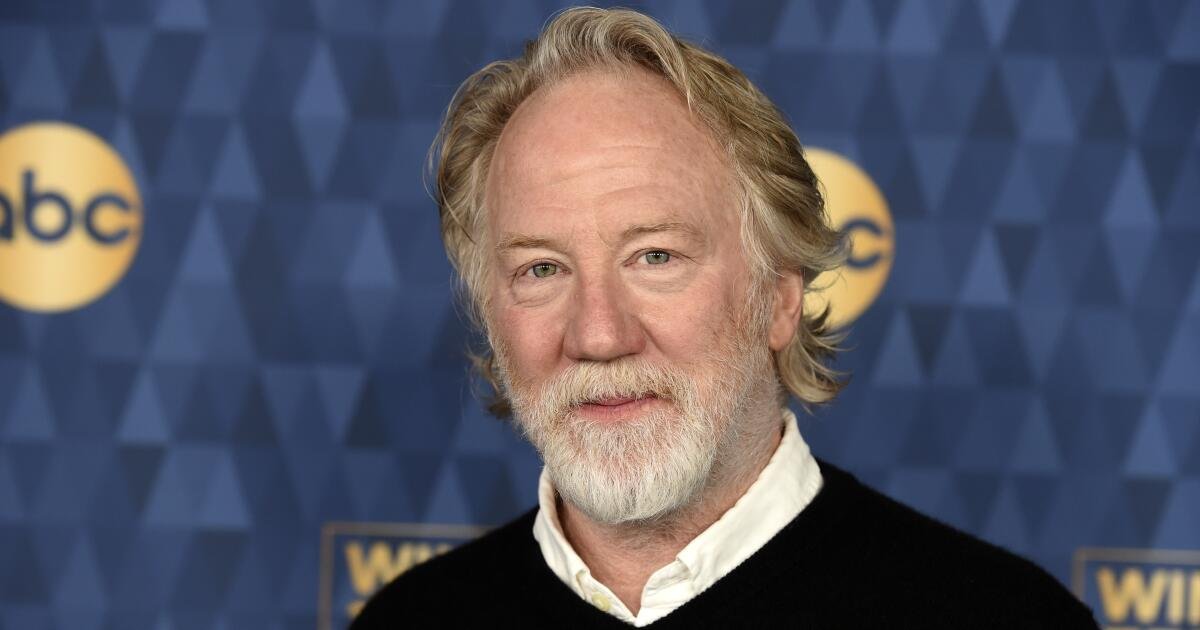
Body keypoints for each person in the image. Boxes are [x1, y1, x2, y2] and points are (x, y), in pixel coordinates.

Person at [351, 7, 1098, 629]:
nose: (599, 335)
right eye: (541, 270)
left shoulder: (1003, 619)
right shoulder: (410, 620)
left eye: (655, 257)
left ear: (779, 296)